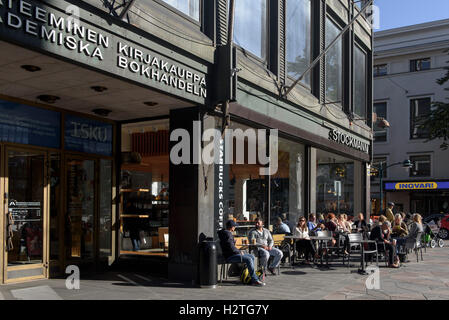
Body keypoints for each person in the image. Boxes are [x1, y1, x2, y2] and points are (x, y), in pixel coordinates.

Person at [218, 220, 265, 286]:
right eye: (234, 227)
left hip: (231, 254)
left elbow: (230, 246)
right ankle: (255, 280)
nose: (235, 228)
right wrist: (239, 252)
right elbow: (231, 248)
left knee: (252, 256)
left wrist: (234, 244)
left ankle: (250, 276)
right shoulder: (227, 234)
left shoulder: (226, 233)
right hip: (229, 256)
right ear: (232, 227)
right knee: (248, 259)